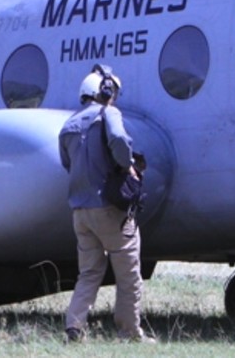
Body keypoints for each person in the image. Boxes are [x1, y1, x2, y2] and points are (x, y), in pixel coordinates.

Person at [58, 63, 153, 343]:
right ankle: (129, 332)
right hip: (109, 210)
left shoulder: (68, 125)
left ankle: (74, 327)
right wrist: (127, 167)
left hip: (80, 212)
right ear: (105, 91)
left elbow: (67, 163)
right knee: (128, 274)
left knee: (88, 273)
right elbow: (120, 142)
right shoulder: (108, 113)